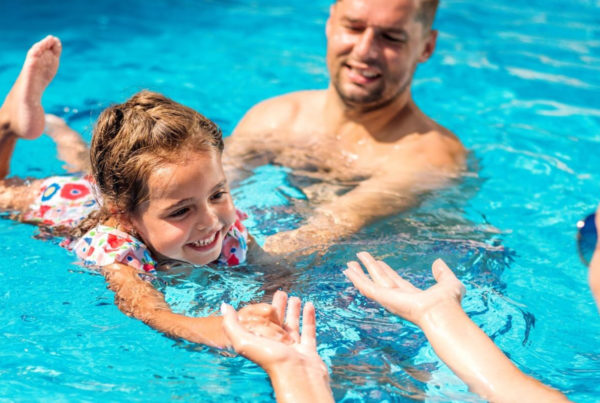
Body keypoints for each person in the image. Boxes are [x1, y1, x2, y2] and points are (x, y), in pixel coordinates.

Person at [0, 36, 288, 348]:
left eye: (217, 194)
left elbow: (274, 273)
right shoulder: (113, 248)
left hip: (122, 190)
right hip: (69, 203)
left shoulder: (225, 224)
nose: (210, 220)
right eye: (181, 211)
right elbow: (149, 311)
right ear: (123, 216)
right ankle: (11, 122)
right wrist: (220, 330)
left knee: (85, 162)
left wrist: (271, 309)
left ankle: (57, 130)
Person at [225, 0, 467, 254]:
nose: (364, 51)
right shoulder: (275, 117)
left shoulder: (429, 156)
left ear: (426, 47)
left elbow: (315, 238)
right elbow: (205, 195)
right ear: (330, 24)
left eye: (391, 37)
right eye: (353, 27)